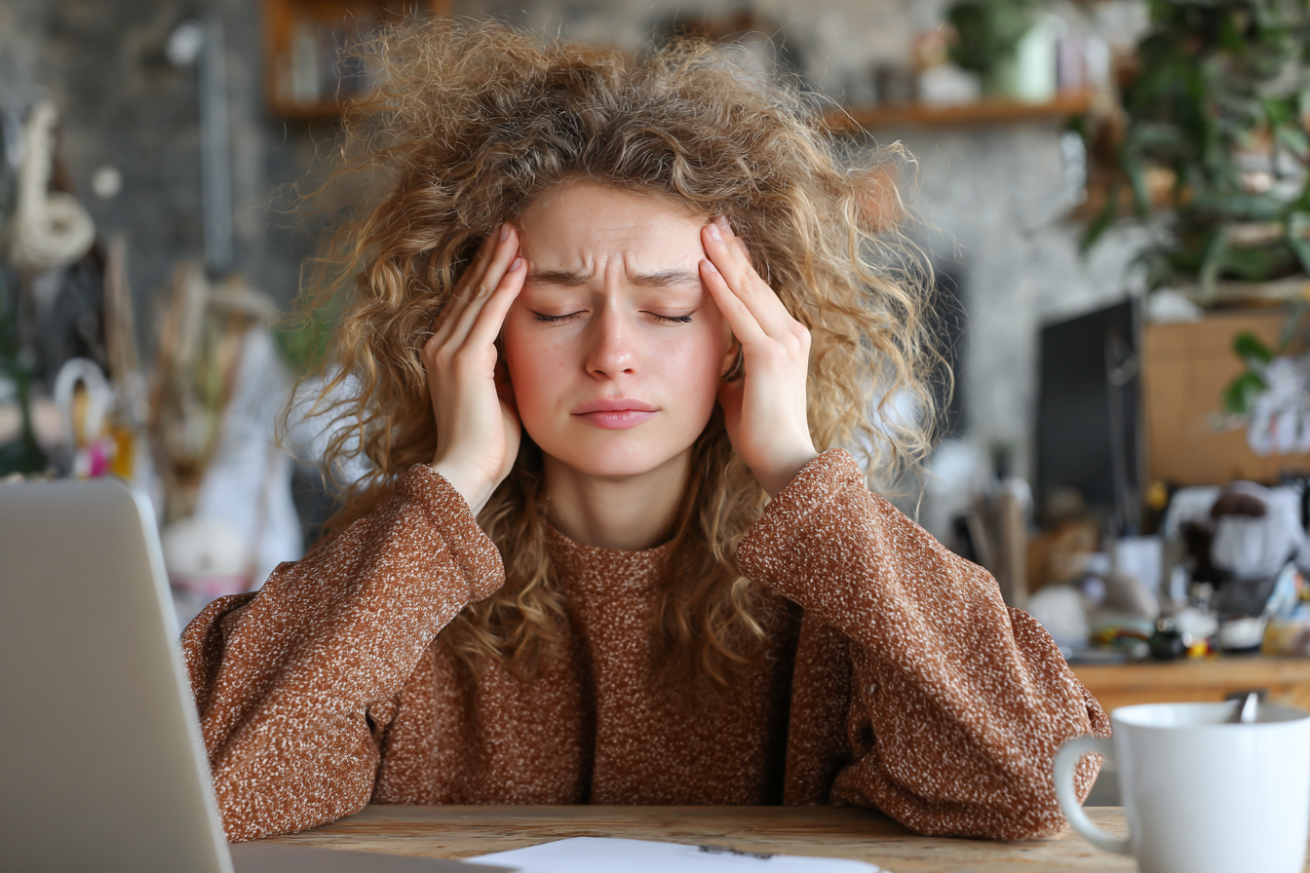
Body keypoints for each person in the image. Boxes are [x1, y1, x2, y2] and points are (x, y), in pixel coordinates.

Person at [182, 21, 1109, 844]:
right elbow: (207, 793)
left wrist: (798, 470)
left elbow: (1037, 783)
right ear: (477, 332)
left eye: (669, 311)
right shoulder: (400, 581)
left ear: (747, 336)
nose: (613, 354)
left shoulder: (837, 590)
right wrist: (455, 477)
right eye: (552, 310)